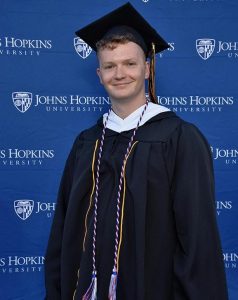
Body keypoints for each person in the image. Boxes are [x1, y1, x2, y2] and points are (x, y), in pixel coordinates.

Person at [44, 3, 228, 300]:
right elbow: (62, 232)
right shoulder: (86, 144)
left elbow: (197, 241)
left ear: (147, 68)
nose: (119, 74)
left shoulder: (179, 139)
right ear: (99, 73)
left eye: (130, 63)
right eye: (109, 66)